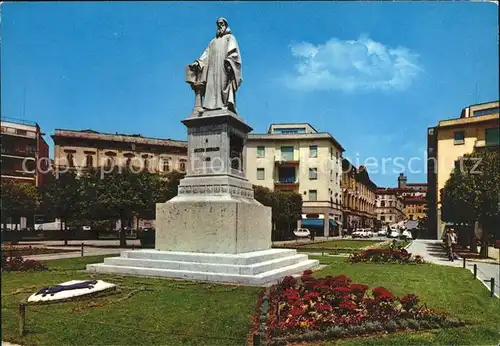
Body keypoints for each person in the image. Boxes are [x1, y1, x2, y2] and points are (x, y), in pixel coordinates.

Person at [189, 17, 242, 113]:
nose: (220, 26)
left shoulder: (230, 38)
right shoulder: (213, 41)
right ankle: (210, 106)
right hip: (212, 68)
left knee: (223, 85)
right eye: (218, 24)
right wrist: (198, 62)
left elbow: (234, 52)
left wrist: (229, 62)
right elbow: (206, 53)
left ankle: (225, 104)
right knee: (212, 85)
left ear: (225, 25)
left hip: (224, 66)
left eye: (222, 24)